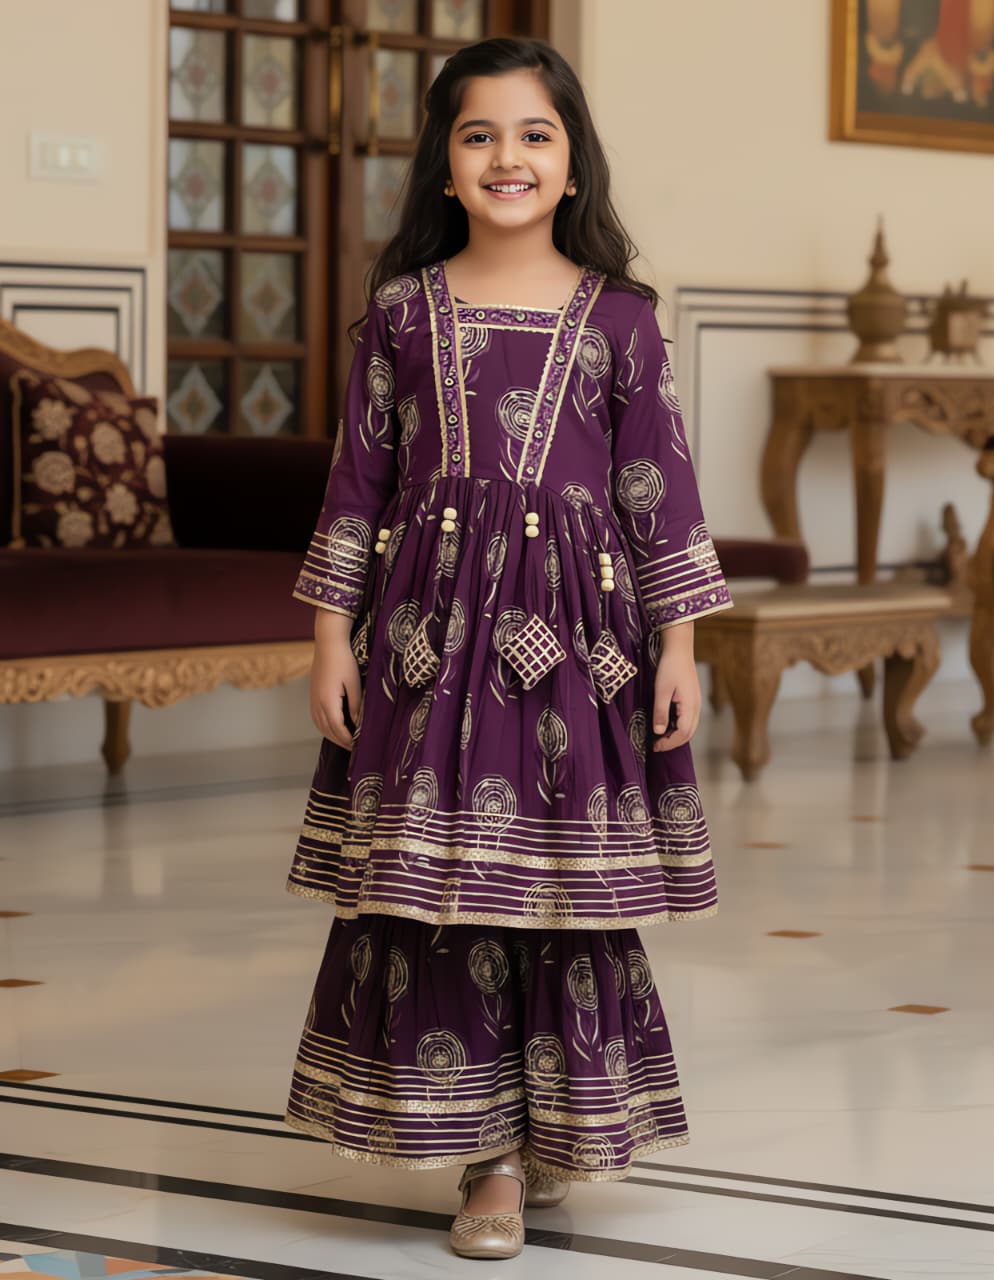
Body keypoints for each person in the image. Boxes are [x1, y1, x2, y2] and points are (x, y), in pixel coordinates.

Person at [283, 35, 732, 1262]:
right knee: (439, 889)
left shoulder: (624, 323)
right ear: (443, 166)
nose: (507, 157)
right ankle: (484, 1159)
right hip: (428, 645)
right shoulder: (396, 318)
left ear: (573, 164)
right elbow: (353, 491)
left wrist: (679, 648)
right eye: (478, 135)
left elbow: (661, 496)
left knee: (560, 894)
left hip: (582, 652)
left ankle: (560, 1128)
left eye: (535, 134)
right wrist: (333, 639)